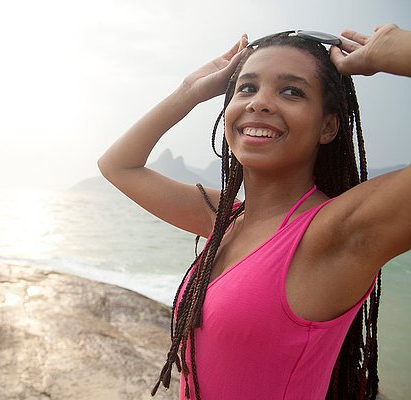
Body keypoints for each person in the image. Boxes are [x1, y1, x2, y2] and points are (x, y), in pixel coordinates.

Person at [98, 23, 411, 400]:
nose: (259, 102)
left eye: (291, 91)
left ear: (327, 126)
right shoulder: (226, 218)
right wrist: (188, 91)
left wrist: (401, 51)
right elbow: (118, 165)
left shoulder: (335, 234)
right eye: (246, 87)